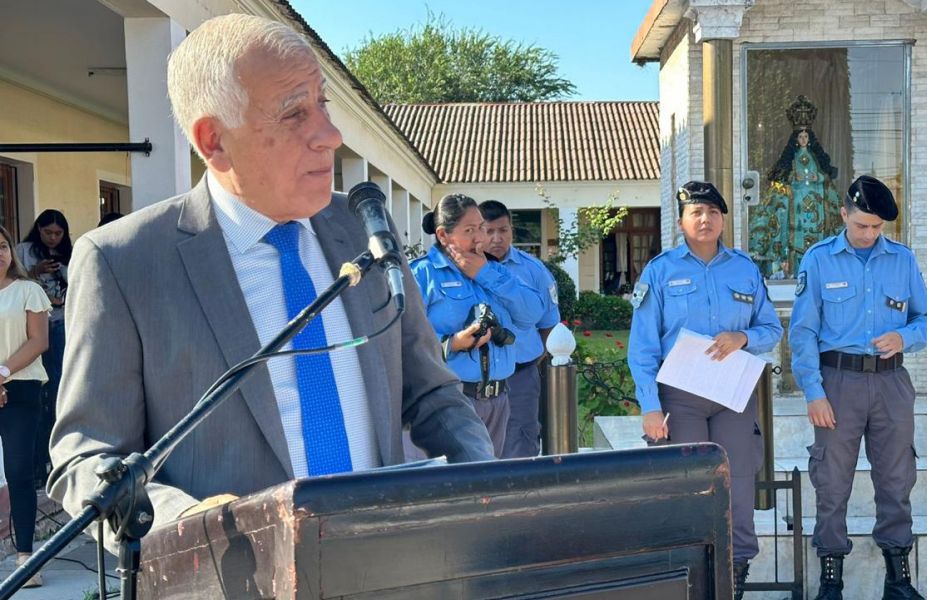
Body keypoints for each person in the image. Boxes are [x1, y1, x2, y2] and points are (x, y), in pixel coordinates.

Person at [47, 14, 495, 540]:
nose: (330, 135)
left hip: (385, 565)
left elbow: (432, 394)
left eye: (323, 105)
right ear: (214, 140)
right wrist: (191, 527)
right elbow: (88, 456)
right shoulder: (124, 262)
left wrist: (487, 490)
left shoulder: (362, 228)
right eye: (293, 113)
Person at [627, 181, 783, 599]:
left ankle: (735, 578)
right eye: (696, 213)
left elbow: (771, 327)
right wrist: (649, 407)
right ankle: (692, 580)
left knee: (739, 484)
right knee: (689, 486)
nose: (705, 220)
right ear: (680, 222)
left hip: (732, 396)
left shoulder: (744, 268)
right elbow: (641, 346)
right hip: (680, 396)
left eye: (713, 212)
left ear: (723, 219)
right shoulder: (660, 271)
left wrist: (742, 338)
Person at [789, 175, 927, 600]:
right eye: (862, 226)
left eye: (876, 228)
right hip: (837, 383)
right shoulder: (818, 260)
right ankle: (831, 582)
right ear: (844, 214)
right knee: (832, 481)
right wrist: (813, 392)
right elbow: (802, 333)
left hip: (891, 382)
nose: (869, 235)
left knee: (896, 479)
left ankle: (898, 580)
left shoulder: (902, 260)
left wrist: (905, 338)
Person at [410, 195, 544, 457]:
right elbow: (406, 342)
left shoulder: (493, 270)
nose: (481, 238)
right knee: (460, 485)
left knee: (490, 487)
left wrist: (485, 274)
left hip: (499, 399)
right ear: (444, 235)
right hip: (452, 400)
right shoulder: (423, 274)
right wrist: (454, 342)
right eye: (469, 230)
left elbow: (531, 313)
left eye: (481, 227)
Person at [479, 200, 561, 458]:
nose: (497, 238)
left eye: (503, 230)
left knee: (521, 442)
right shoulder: (464, 269)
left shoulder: (533, 270)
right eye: (489, 231)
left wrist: (529, 359)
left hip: (520, 375)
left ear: (511, 230)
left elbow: (549, 324)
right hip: (475, 377)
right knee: (478, 445)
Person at [0, 225, 51, 587]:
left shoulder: (28, 290)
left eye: (2, 246)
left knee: (18, 471)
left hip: (20, 388)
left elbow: (39, 341)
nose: (0, 253)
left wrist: (1, 373)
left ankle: (26, 557)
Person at [749, 96, 843, 278]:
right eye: (800, 137)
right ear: (796, 139)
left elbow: (824, 176)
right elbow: (783, 178)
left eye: (806, 136)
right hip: (795, 205)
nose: (803, 139)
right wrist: (794, 177)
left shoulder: (816, 159)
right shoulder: (791, 159)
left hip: (816, 207)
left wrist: (817, 177)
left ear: (810, 139)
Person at [16, 209, 71, 487]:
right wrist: (36, 271)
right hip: (31, 326)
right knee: (35, 391)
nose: (52, 238)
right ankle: (37, 463)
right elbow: (12, 280)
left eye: (58, 233)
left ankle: (55, 459)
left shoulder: (71, 253)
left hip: (61, 324)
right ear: (38, 230)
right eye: (47, 232)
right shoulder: (23, 251)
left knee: (58, 390)